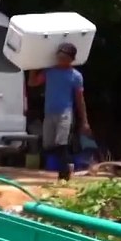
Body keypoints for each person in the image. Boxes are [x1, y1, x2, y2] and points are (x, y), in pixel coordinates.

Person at [27, 42, 90, 180]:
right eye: (59, 57)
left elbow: (80, 100)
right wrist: (33, 66)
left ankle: (64, 174)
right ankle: (67, 165)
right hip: (49, 112)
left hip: (64, 113)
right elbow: (32, 82)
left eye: (64, 58)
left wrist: (84, 121)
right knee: (48, 145)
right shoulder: (50, 71)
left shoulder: (76, 76)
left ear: (71, 59)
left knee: (61, 143)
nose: (60, 60)